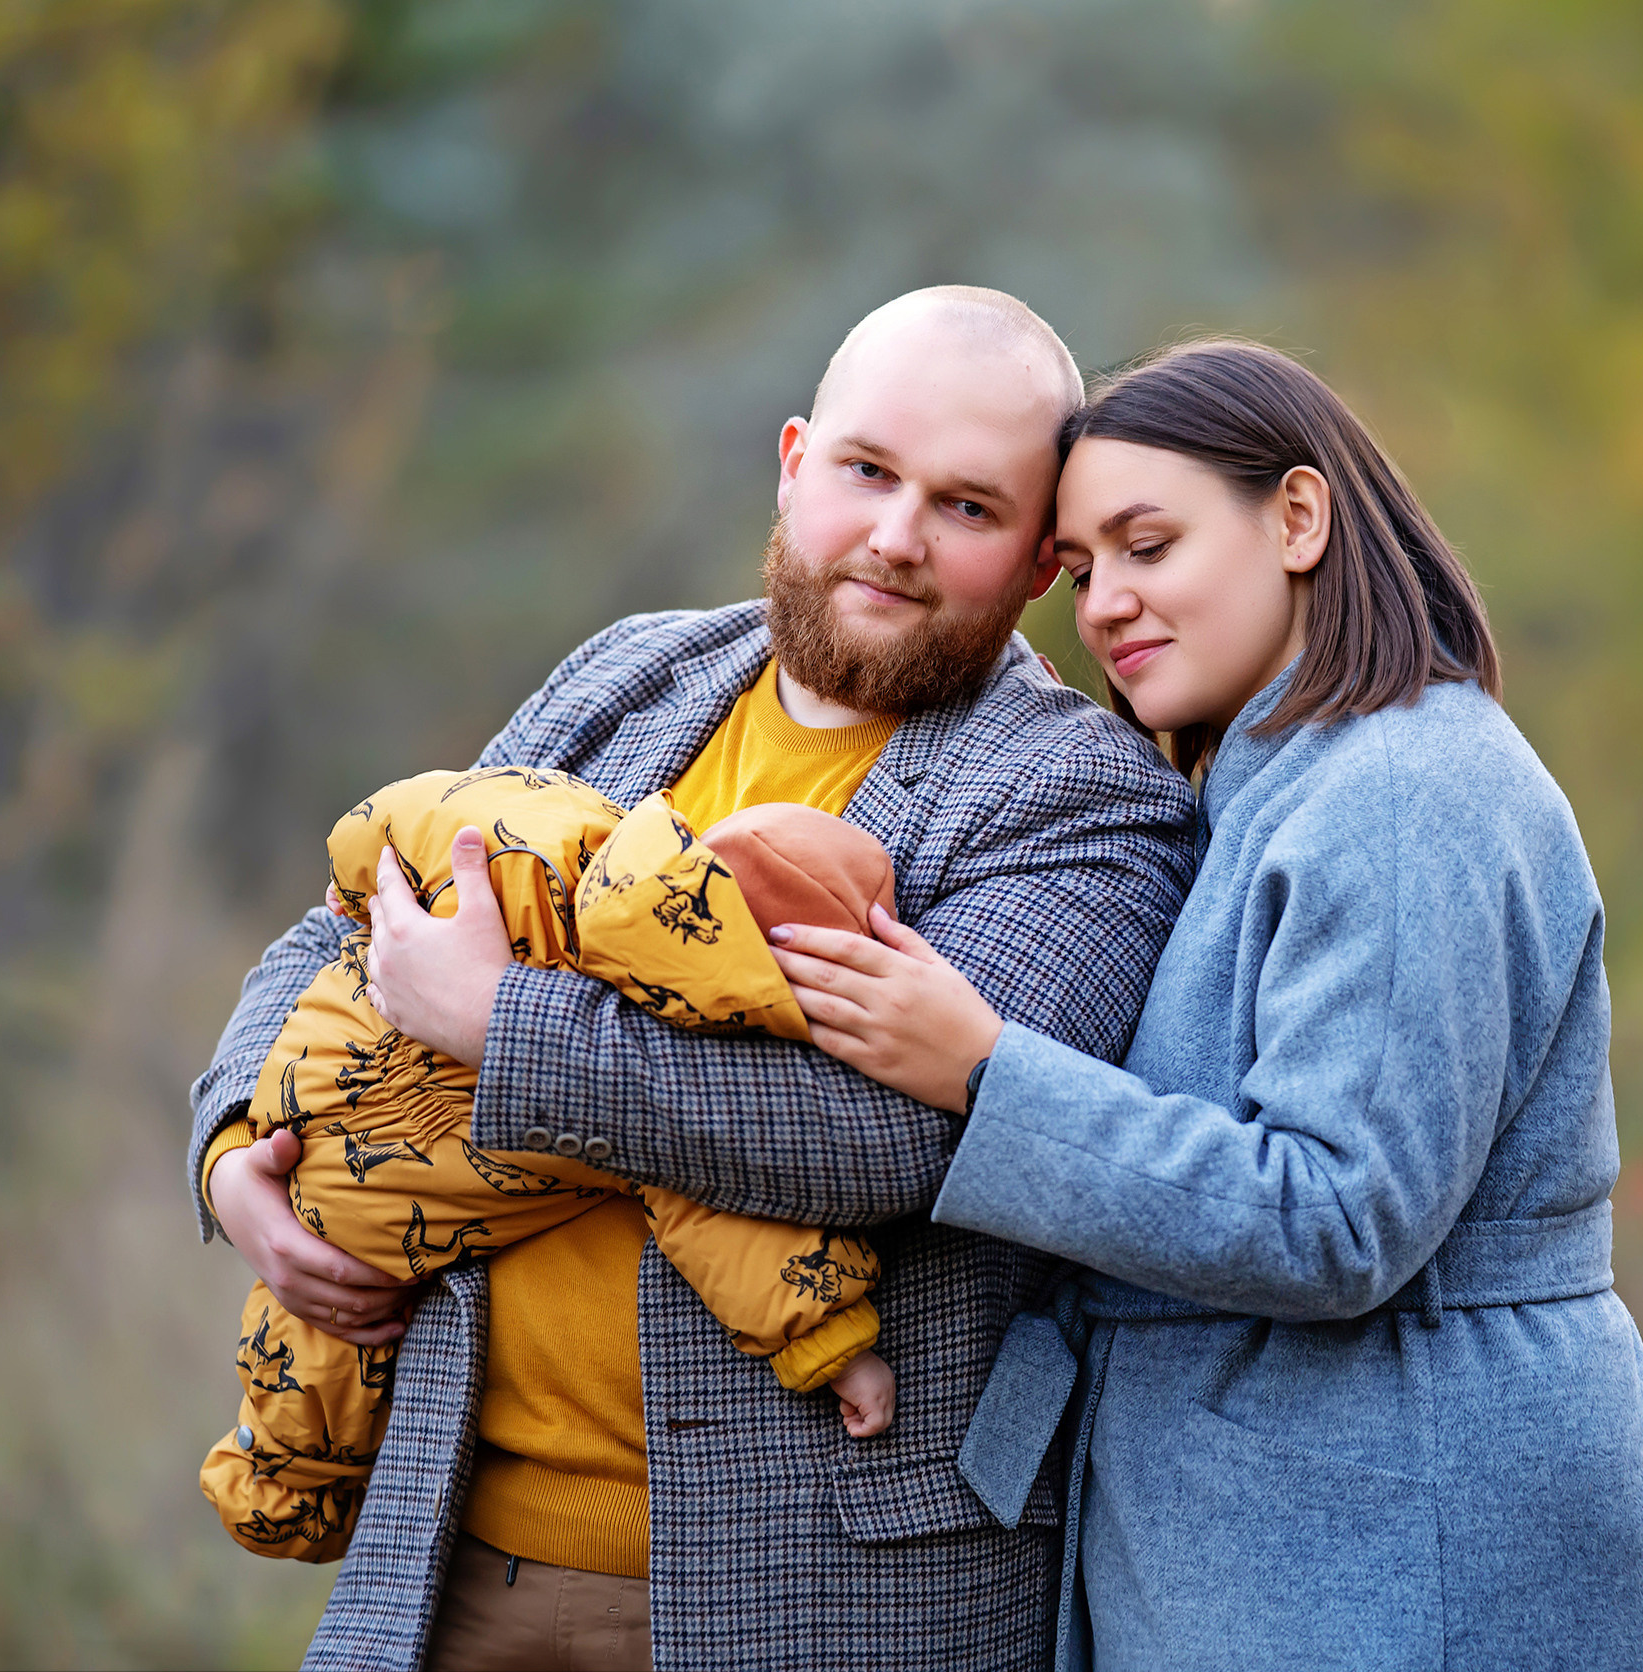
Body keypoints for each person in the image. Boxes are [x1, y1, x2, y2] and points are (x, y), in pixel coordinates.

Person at [187, 286, 1199, 1671]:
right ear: (794, 462)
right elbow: (349, 929)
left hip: (816, 1598)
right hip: (449, 1552)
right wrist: (236, 1148)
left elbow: (893, 1133)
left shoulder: (1082, 794)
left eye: (967, 507)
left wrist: (498, 1022)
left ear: (1037, 563)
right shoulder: (629, 673)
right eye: (867, 472)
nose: (898, 537)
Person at [770, 339, 1643, 1671]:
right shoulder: (1269, 791)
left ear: (1298, 519)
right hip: (1277, 1522)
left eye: (1149, 546)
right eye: (1081, 568)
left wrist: (984, 1070)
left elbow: (1338, 1218)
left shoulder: (1403, 791)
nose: (1106, 604)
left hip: (1392, 1525)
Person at [202, 778, 906, 1565]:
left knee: (304, 1364)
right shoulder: (665, 1025)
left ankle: (273, 1486)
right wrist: (226, 1159)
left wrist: (358, 876)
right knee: (315, 1366)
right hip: (352, 1219)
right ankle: (275, 1493)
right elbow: (722, 1214)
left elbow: (418, 817)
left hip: (321, 1122)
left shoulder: (562, 840)